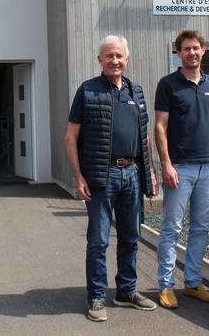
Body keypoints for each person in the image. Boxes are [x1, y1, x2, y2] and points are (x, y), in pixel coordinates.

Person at [65, 35, 159, 322]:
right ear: (100, 60)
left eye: (119, 55)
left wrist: (150, 171)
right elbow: (71, 137)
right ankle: (95, 297)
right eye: (109, 56)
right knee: (98, 240)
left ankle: (126, 291)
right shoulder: (88, 91)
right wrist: (78, 176)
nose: (114, 60)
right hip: (100, 175)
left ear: (127, 59)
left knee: (131, 237)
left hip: (131, 173)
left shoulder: (137, 92)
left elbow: (144, 136)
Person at [154, 29, 209, 308]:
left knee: (200, 227)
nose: (192, 53)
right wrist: (166, 164)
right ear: (179, 53)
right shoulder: (168, 84)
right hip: (180, 168)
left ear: (203, 51)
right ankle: (165, 286)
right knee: (172, 227)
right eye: (186, 49)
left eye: (196, 48)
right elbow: (160, 127)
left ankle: (192, 283)